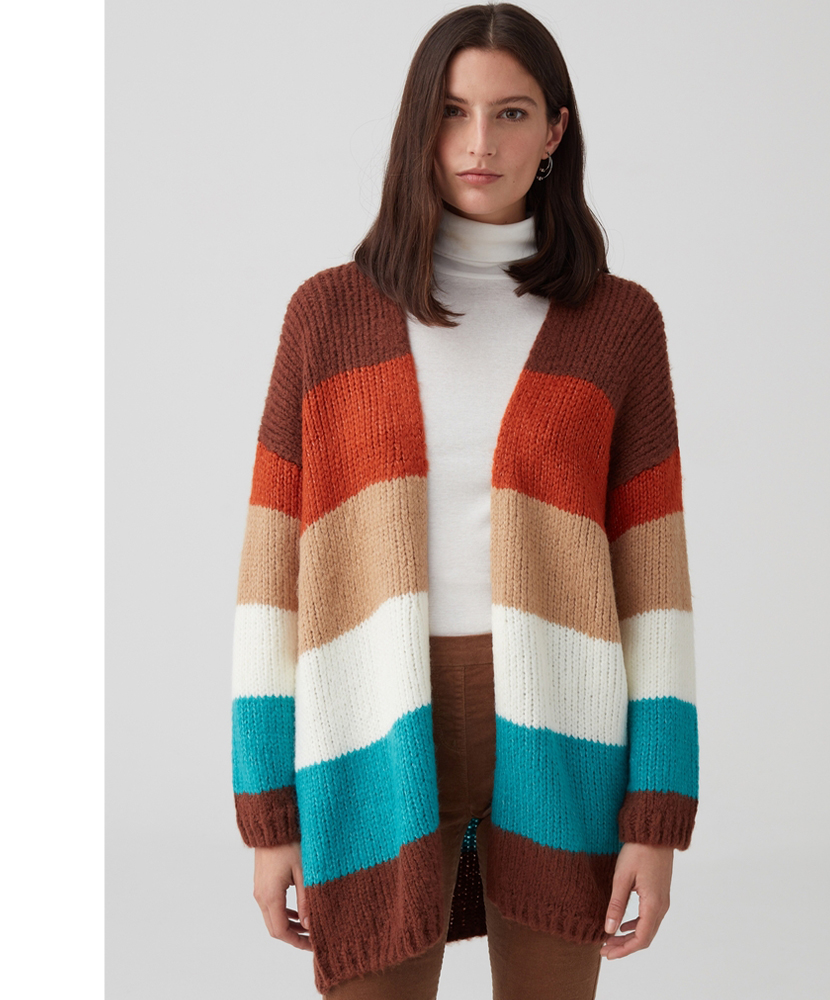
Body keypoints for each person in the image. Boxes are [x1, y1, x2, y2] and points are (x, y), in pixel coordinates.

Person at [230, 4, 699, 997]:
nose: (479, 142)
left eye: (511, 112)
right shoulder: (328, 317)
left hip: (565, 742)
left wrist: (656, 819)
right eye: (453, 111)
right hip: (370, 737)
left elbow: (655, 591)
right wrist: (268, 817)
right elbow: (271, 582)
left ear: (556, 130)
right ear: (420, 125)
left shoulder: (618, 325)